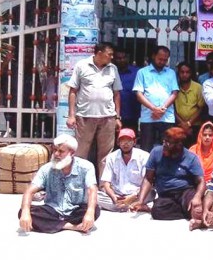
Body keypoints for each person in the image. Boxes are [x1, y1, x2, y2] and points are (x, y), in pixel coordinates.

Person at [18, 135, 99, 234]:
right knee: (23, 212)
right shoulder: (46, 169)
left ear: (72, 153)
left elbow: (92, 189)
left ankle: (54, 224)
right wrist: (25, 212)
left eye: (61, 151)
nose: (56, 154)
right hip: (53, 211)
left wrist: (90, 212)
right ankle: (72, 226)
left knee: (95, 209)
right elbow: (29, 191)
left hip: (75, 211)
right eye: (54, 150)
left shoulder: (86, 167)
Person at [65, 41, 122, 177]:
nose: (112, 57)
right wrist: (71, 115)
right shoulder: (82, 65)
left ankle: (104, 184)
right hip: (85, 116)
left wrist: (117, 117)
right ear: (99, 53)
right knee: (81, 152)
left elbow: (116, 94)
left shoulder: (113, 68)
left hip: (108, 117)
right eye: (109, 54)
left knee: (106, 155)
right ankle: (78, 181)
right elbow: (73, 91)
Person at [130, 127, 205, 223]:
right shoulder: (156, 152)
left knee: (195, 207)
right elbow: (148, 178)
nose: (164, 145)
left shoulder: (191, 158)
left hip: (185, 192)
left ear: (179, 145)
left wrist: (197, 197)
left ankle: (191, 211)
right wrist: (141, 201)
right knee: (156, 212)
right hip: (166, 194)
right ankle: (186, 211)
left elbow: (201, 181)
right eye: (164, 142)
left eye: (168, 143)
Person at [133, 45, 179, 150]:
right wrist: (154, 109)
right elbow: (139, 94)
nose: (162, 62)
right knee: (146, 149)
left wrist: (162, 108)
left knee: (169, 148)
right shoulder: (142, 72)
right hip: (148, 117)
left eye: (165, 60)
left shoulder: (171, 73)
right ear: (153, 56)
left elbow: (174, 93)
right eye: (160, 59)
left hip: (166, 117)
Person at [99, 128, 152, 212]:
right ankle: (132, 206)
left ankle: (126, 206)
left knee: (150, 194)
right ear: (118, 143)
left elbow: (148, 181)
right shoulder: (111, 157)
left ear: (134, 142)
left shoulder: (144, 156)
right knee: (95, 196)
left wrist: (133, 196)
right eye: (123, 141)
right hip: (118, 194)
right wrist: (113, 197)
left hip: (137, 194)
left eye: (129, 141)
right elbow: (106, 183)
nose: (125, 144)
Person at [175, 61, 205, 146]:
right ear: (178, 73)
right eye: (182, 72)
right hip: (178, 125)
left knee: (193, 149)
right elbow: (171, 109)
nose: (184, 75)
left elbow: (201, 108)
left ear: (191, 73)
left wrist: (188, 124)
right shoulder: (174, 87)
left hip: (195, 126)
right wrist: (183, 124)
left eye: (187, 72)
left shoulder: (198, 87)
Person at [114, 47, 140, 131]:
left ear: (128, 58)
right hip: (111, 114)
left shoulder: (137, 72)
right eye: (118, 58)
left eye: (123, 57)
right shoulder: (110, 72)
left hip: (132, 114)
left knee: (130, 137)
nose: (121, 60)